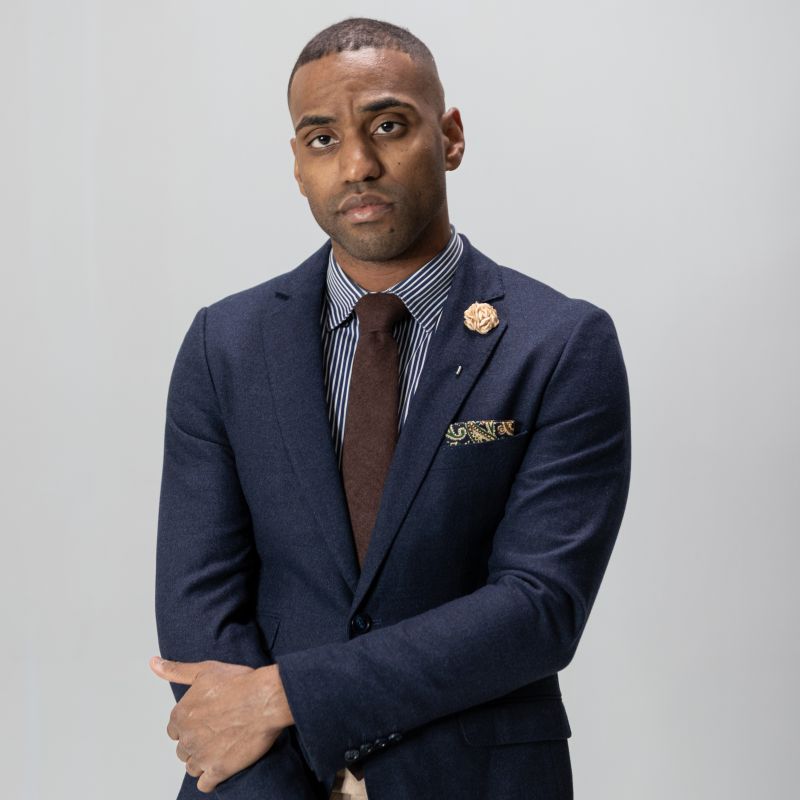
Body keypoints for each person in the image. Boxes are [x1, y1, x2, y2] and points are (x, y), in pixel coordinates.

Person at [151, 16, 631, 800]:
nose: (358, 165)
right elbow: (198, 602)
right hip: (263, 781)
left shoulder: (560, 343)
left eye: (388, 126)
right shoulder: (225, 344)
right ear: (297, 165)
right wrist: (278, 758)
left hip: (477, 780)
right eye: (323, 139)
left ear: (450, 137)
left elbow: (539, 608)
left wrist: (290, 696)